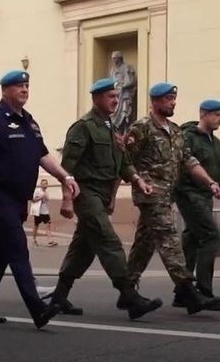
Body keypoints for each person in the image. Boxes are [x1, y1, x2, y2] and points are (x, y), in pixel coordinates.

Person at [0, 70, 72, 329]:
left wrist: (65, 177)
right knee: (18, 249)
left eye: (26, 85)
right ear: (5, 91)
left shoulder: (29, 122)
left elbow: (42, 155)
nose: (24, 89)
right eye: (18, 86)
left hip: (18, 199)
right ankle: (37, 309)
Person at [49, 78, 162, 319]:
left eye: (117, 96)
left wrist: (138, 180)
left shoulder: (110, 127)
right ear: (96, 98)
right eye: (110, 96)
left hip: (101, 196)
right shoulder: (83, 127)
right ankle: (130, 296)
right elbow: (67, 167)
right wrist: (67, 198)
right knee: (108, 240)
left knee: (84, 247)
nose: (115, 100)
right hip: (86, 193)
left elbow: (122, 164)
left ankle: (59, 296)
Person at [124, 83, 220, 314]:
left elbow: (189, 161)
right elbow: (124, 161)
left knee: (144, 244)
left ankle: (127, 293)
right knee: (169, 239)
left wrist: (210, 182)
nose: (173, 102)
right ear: (155, 102)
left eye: (174, 99)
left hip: (166, 195)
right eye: (168, 99)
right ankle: (188, 291)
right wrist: (135, 181)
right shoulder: (141, 128)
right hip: (150, 194)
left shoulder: (176, 131)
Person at [172, 99, 220, 304]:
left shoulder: (215, 142)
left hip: (205, 195)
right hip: (189, 192)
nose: (219, 118)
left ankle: (183, 291)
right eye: (216, 114)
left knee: (192, 239)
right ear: (204, 114)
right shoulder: (188, 137)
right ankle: (203, 289)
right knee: (210, 236)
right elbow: (185, 164)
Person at [30, 179, 56, 247]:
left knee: (48, 224)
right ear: (41, 184)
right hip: (38, 211)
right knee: (36, 225)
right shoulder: (37, 191)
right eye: (43, 184)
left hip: (45, 211)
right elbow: (32, 200)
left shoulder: (46, 191)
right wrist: (39, 198)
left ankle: (49, 240)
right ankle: (33, 239)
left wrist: (46, 197)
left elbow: (47, 200)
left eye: (46, 183)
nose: (45, 185)